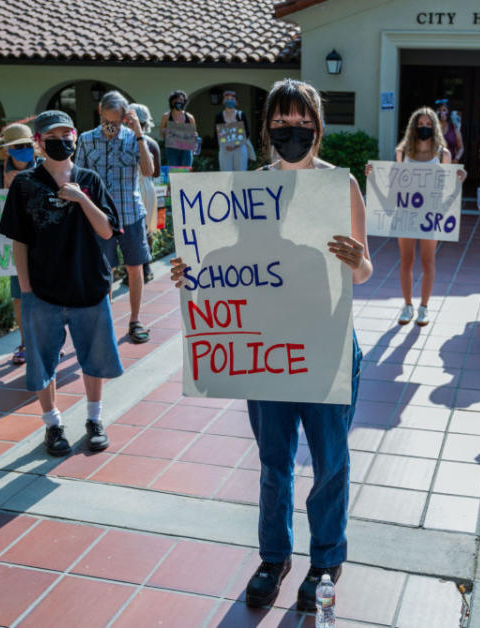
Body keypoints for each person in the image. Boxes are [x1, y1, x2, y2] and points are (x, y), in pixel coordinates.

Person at [170, 78, 372, 611]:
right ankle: (274, 556)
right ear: (267, 129)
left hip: (326, 343)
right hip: (267, 347)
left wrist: (357, 261)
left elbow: (366, 267)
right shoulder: (247, 186)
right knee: (273, 460)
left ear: (318, 127)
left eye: (302, 123)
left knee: (331, 460)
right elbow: (226, 256)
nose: (292, 131)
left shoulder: (340, 185)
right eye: (281, 123)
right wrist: (190, 271)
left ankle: (327, 557)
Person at [0, 110, 122, 457]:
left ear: (76, 136)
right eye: (52, 135)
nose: (61, 140)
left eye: (66, 133)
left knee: (94, 359)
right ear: (38, 142)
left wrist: (81, 198)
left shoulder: (90, 180)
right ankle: (52, 424)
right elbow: (19, 240)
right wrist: (26, 288)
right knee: (43, 362)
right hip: (43, 291)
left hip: (89, 286)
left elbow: (108, 230)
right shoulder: (25, 185)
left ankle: (94, 420)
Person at [366, 107, 466, 326]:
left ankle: (424, 307)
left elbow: (448, 186)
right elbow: (394, 183)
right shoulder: (403, 152)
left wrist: (459, 179)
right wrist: (373, 178)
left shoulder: (443, 154)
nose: (424, 128)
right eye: (420, 124)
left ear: (435, 127)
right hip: (406, 213)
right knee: (406, 261)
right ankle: (408, 304)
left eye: (429, 125)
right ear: (413, 127)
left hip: (431, 214)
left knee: (428, 261)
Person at [75, 91, 154, 344]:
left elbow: (149, 170)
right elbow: (76, 177)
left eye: (117, 122)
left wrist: (139, 132)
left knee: (135, 267)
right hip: (100, 217)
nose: (111, 127)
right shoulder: (87, 140)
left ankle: (135, 320)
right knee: (103, 271)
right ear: (100, 112)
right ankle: (104, 321)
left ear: (125, 118)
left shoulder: (133, 139)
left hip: (130, 212)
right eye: (107, 121)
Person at [0, 123, 41, 365]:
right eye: (17, 147)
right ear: (7, 151)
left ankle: (49, 342)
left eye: (27, 145)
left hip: (42, 245)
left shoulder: (44, 169)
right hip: (13, 248)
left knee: (46, 295)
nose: (23, 150)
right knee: (20, 297)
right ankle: (25, 342)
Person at [128, 103, 161, 284]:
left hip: (130, 186)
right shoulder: (151, 143)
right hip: (147, 186)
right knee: (146, 229)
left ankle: (132, 270)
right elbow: (156, 173)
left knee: (131, 229)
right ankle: (146, 267)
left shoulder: (122, 141)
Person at [215, 89, 257, 171]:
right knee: (225, 172)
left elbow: (246, 132)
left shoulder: (241, 115)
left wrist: (235, 145)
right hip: (225, 148)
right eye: (227, 99)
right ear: (223, 101)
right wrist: (226, 145)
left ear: (236, 102)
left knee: (240, 171)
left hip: (240, 147)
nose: (229, 100)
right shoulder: (219, 116)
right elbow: (217, 133)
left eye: (232, 99)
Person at [159, 90, 197, 167]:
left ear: (184, 102)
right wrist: (165, 133)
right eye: (176, 100)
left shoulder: (189, 117)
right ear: (172, 102)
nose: (178, 102)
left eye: (181, 100)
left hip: (186, 149)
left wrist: (195, 135)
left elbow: (194, 133)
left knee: (185, 170)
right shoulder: (166, 116)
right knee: (173, 170)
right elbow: (161, 133)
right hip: (172, 148)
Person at [435, 99, 464, 163]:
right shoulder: (433, 128)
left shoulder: (454, 128)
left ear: (448, 112)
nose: (442, 113)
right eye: (440, 110)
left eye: (444, 110)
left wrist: (456, 158)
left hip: (450, 163)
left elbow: (461, 148)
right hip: (434, 163)